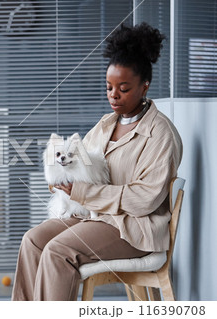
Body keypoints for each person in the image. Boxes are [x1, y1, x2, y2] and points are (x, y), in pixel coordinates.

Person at [11, 22, 183, 301]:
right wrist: (60, 181)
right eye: (109, 87)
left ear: (144, 86)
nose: (113, 96)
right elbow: (79, 164)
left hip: (132, 229)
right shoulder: (106, 124)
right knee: (33, 241)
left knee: (58, 251)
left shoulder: (160, 134)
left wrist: (82, 191)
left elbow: (144, 199)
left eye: (123, 88)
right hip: (93, 216)